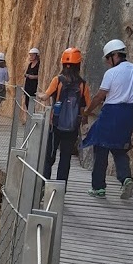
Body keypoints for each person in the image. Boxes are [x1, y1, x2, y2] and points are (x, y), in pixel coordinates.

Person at [81, 39, 133, 199]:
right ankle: (126, 178)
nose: (106, 62)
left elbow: (100, 96)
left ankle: (98, 188)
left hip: (111, 112)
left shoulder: (111, 73)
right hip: (129, 113)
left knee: (100, 147)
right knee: (120, 149)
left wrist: (88, 110)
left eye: (107, 58)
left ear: (115, 55)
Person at [36, 48, 91, 182]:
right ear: (78, 65)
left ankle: (44, 183)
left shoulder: (58, 80)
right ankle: (61, 187)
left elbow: (46, 96)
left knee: (49, 155)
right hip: (72, 126)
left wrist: (38, 94)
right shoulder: (83, 84)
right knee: (65, 158)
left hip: (55, 123)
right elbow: (87, 104)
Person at [22, 48, 40, 122]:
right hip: (28, 86)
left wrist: (33, 77)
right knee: (27, 103)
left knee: (32, 103)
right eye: (30, 55)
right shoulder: (30, 64)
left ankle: (33, 119)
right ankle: (29, 119)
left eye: (32, 55)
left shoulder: (39, 64)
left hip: (34, 86)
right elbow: (27, 72)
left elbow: (40, 75)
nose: (31, 56)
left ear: (36, 55)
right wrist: (27, 75)